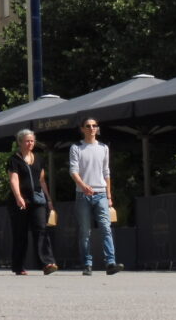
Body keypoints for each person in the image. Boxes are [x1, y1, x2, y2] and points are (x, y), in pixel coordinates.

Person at [70, 117, 123, 276]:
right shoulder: (77, 147)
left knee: (106, 228)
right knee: (85, 231)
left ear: (97, 128)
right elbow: (73, 170)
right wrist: (83, 185)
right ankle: (87, 264)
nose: (92, 128)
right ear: (82, 129)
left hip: (100, 193)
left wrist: (109, 195)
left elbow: (106, 172)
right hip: (83, 194)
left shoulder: (103, 148)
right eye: (88, 126)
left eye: (94, 126)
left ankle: (110, 263)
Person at [7, 129, 58, 276]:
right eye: (27, 141)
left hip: (37, 199)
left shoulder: (39, 159)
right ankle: (18, 266)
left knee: (41, 230)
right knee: (20, 233)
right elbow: (14, 179)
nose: (30, 143)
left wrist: (48, 199)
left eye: (32, 141)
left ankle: (47, 263)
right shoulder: (14, 160)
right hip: (20, 201)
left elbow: (42, 180)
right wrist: (18, 197)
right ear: (20, 142)